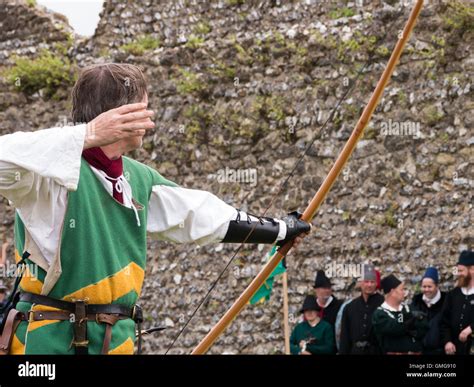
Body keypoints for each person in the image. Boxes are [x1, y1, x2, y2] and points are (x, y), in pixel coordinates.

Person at [0, 63, 311, 355]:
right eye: (143, 108)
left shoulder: (137, 178)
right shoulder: (47, 176)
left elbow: (200, 215)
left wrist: (280, 229)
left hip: (113, 341)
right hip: (47, 345)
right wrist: (88, 134)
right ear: (122, 115)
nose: (149, 119)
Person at [372, 274, 428, 355]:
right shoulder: (380, 314)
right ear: (392, 292)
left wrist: (411, 326)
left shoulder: (409, 308)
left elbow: (424, 326)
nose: (404, 292)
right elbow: (393, 328)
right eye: (402, 289)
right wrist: (410, 321)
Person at [339, 264, 384, 354]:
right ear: (361, 283)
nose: (369, 285)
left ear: (376, 283)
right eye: (366, 281)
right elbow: (345, 337)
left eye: (372, 282)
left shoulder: (384, 304)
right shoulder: (350, 307)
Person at [440, 251, 474, 355]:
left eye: (461, 270)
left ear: (472, 269)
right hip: (456, 349)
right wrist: (447, 341)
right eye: (458, 271)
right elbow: (444, 320)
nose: (458, 274)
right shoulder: (453, 294)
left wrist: (471, 328)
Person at [410, 266, 445, 354]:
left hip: (441, 350)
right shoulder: (417, 300)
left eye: (429, 287)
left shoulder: (446, 300)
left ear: (437, 286)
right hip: (420, 350)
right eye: (424, 286)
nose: (426, 290)